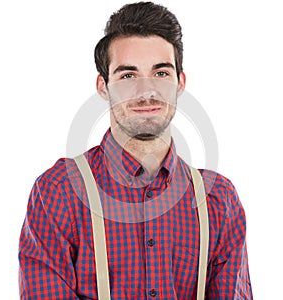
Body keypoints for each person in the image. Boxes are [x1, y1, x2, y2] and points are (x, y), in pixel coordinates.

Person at [18, 2, 253, 299]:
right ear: (103, 86)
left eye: (161, 73)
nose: (146, 91)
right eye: (128, 75)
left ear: (180, 82)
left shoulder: (219, 200)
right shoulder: (58, 191)